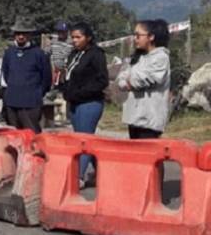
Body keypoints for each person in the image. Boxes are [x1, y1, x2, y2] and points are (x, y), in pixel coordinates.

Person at [60, 22, 109, 188]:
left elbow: (102, 80)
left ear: (88, 38)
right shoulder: (73, 54)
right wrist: (65, 90)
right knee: (82, 138)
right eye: (72, 37)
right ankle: (102, 171)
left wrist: (83, 92)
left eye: (78, 37)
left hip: (89, 102)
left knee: (84, 140)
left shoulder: (96, 55)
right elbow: (69, 75)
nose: (74, 40)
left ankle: (78, 176)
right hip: (74, 102)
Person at [117, 19, 171, 139]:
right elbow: (121, 76)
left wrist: (130, 80)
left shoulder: (161, 57)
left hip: (149, 120)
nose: (135, 39)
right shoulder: (137, 57)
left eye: (138, 35)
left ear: (151, 37)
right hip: (134, 117)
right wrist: (127, 81)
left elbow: (146, 79)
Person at [0, 17, 51, 133]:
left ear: (30, 35)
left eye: (24, 33)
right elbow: (6, 73)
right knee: (13, 135)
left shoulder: (39, 54)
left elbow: (47, 79)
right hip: (12, 101)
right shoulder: (9, 53)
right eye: (18, 33)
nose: (21, 36)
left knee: (32, 135)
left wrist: (38, 93)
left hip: (31, 102)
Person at [49, 21, 73, 88]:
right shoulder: (53, 41)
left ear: (67, 32)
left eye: (63, 31)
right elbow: (48, 52)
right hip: (54, 68)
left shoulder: (71, 42)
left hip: (66, 70)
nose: (61, 33)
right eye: (59, 31)